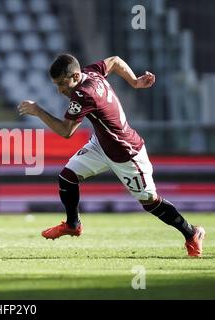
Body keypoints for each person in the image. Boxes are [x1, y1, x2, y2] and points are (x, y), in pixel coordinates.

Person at [17, 53, 205, 257]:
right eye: (56, 84)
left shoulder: (83, 94)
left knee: (149, 201)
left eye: (62, 83)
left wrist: (38, 111)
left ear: (75, 76)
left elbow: (66, 131)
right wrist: (134, 81)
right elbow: (115, 61)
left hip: (125, 152)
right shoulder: (91, 73)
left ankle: (192, 233)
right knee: (67, 177)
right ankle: (73, 225)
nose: (60, 89)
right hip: (101, 144)